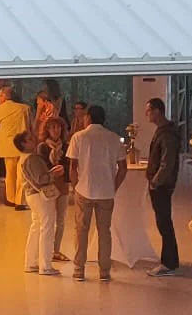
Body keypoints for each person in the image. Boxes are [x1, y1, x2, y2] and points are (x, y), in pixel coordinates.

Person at [66, 105, 127, 283]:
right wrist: (114, 186)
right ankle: (104, 271)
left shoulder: (79, 137)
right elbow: (123, 168)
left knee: (81, 230)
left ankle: (79, 269)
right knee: (104, 232)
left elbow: (73, 166)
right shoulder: (114, 138)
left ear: (89, 117)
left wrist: (76, 186)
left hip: (84, 190)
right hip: (106, 192)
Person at [144, 97, 182, 276]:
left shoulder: (167, 134)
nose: (146, 114)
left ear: (157, 111)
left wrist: (155, 181)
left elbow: (167, 162)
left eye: (149, 110)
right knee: (164, 222)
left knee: (164, 222)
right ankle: (170, 260)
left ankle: (168, 263)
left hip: (162, 186)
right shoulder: (163, 131)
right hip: (161, 184)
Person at [19, 131, 62, 276]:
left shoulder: (23, 158)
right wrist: (53, 174)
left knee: (37, 227)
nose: (34, 139)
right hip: (40, 196)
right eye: (30, 139)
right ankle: (45, 265)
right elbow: (41, 178)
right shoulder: (33, 158)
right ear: (24, 144)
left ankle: (30, 262)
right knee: (47, 227)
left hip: (31, 195)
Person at [0, 85, 28, 208]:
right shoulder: (25, 108)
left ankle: (11, 199)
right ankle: (20, 201)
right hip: (24, 144)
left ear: (3, 97)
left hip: (8, 145)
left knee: (10, 173)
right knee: (22, 174)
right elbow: (30, 126)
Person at [39, 115, 71, 263]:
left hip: (62, 185)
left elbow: (70, 165)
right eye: (52, 127)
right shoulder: (43, 147)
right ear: (47, 129)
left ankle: (56, 250)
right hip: (49, 187)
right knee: (48, 220)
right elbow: (42, 167)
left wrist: (64, 169)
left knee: (61, 220)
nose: (56, 130)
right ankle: (47, 250)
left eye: (58, 127)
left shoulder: (66, 146)